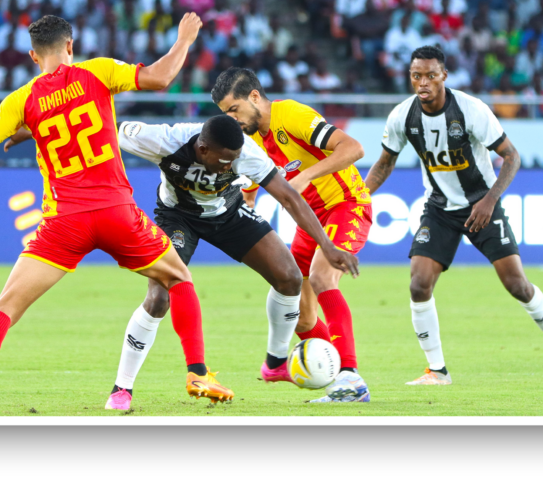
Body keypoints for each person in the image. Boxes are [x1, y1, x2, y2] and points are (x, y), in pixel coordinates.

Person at [0, 12, 239, 415]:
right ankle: (197, 372)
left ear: (32, 56)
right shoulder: (98, 73)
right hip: (117, 212)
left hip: (64, 222)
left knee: (6, 306)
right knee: (178, 277)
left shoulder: (21, 101)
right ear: (71, 47)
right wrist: (184, 40)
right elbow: (160, 77)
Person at [102, 115, 361, 409]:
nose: (230, 166)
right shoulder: (163, 139)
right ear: (202, 149)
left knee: (289, 277)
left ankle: (275, 363)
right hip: (177, 218)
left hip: (228, 213)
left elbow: (289, 198)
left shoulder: (246, 152)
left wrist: (327, 246)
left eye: (234, 160)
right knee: (159, 296)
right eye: (225, 160)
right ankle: (122, 389)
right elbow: (107, 129)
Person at [362, 44, 543, 386]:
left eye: (431, 75)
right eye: (416, 76)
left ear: (444, 76)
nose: (423, 83)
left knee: (517, 285)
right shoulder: (402, 116)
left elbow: (511, 157)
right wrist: (357, 197)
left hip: (482, 204)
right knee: (419, 285)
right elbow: (385, 163)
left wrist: (490, 200)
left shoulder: (470, 110)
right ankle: (437, 371)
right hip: (438, 209)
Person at [213, 68, 374, 403]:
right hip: (311, 221)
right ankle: (333, 376)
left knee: (321, 277)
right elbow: (253, 182)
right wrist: (248, 196)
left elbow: (354, 148)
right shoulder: (252, 139)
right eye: (224, 114)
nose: (231, 119)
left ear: (254, 97)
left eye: (234, 110)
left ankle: (351, 376)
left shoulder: (292, 115)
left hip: (346, 205)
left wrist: (306, 177)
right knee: (297, 307)